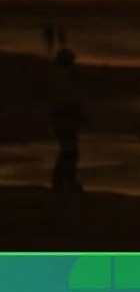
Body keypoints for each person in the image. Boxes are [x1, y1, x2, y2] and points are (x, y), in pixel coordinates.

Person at [49, 49, 87, 192]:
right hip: (65, 116)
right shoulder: (64, 77)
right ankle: (64, 180)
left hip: (63, 115)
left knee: (68, 149)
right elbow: (68, 99)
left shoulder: (62, 76)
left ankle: (63, 180)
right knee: (69, 150)